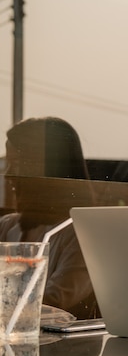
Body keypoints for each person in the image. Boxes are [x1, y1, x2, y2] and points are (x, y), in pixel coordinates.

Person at [0, 116, 99, 319]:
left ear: (45, 169)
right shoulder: (8, 226)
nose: (8, 175)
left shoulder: (81, 233)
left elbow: (55, 301)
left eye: (16, 164)